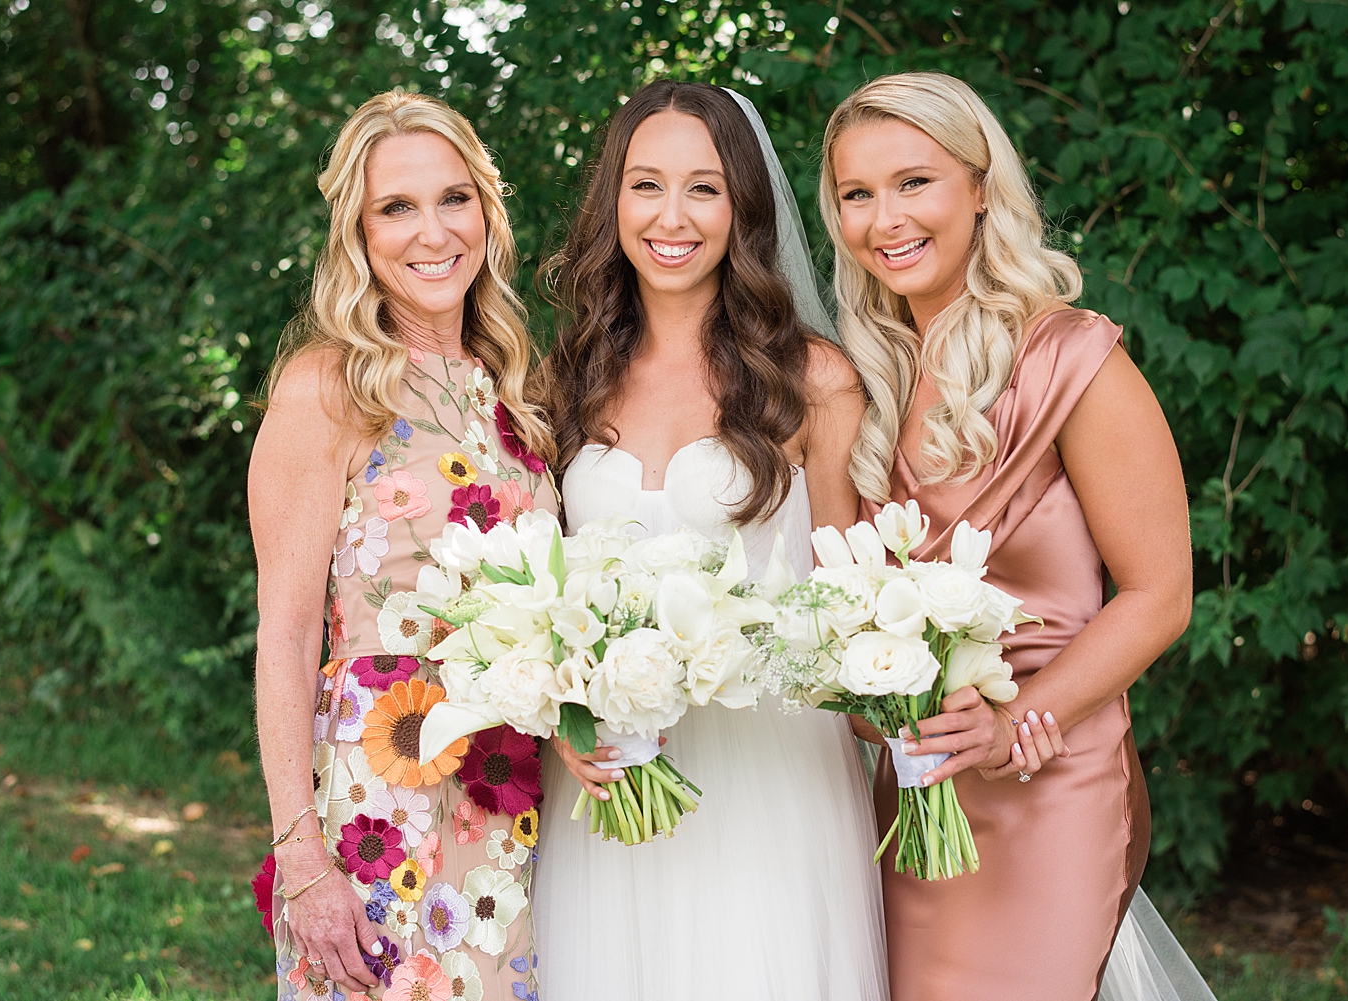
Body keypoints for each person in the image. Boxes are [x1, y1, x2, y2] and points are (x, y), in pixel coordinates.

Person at [819, 72, 1215, 1001]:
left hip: (1054, 775)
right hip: (913, 794)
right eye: (857, 194)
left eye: (915, 182)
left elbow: (1161, 595)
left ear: (980, 187)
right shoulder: (861, 386)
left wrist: (1014, 724)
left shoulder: (1074, 359)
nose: (886, 218)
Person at [532, 81, 889, 1001]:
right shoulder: (566, 379)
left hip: (770, 780)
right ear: (613, 201)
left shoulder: (814, 379)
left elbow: (848, 605)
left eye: (704, 187)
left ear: (743, 206)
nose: (673, 216)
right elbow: (538, 592)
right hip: (606, 786)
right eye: (646, 185)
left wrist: (915, 709)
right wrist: (559, 716)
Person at [249, 90, 559, 1001]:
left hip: (512, 790)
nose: (433, 231)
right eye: (397, 207)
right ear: (358, 232)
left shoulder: (516, 389)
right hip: (382, 796)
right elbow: (288, 633)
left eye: (454, 199)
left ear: (487, 212)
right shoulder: (327, 386)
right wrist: (300, 854)